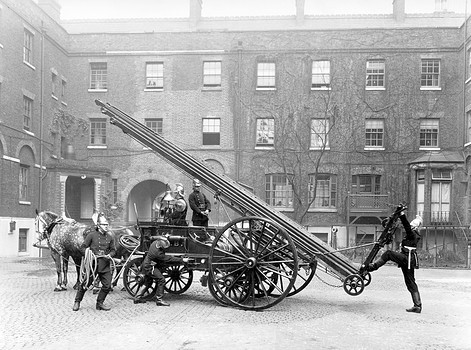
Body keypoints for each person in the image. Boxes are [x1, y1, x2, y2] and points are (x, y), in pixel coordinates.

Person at [367, 208, 423, 313]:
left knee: (388, 254)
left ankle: (373, 267)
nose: (409, 227)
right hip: (409, 260)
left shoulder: (413, 233)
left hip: (407, 259)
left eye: (411, 226)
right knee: (410, 282)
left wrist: (402, 215)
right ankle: (417, 305)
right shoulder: (414, 234)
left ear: (414, 227)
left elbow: (406, 226)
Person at [72, 212, 116, 311]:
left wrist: (110, 255)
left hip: (105, 265)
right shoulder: (91, 235)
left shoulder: (110, 237)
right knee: (85, 284)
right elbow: (83, 248)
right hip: (92, 266)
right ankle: (77, 301)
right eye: (104, 224)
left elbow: (114, 250)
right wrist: (89, 255)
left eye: (107, 224)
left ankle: (99, 303)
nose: (106, 226)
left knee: (107, 285)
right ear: (98, 226)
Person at [133, 236, 188, 306]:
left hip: (147, 264)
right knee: (161, 279)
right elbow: (168, 259)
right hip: (150, 267)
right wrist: (181, 260)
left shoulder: (154, 243)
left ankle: (137, 298)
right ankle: (159, 300)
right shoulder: (158, 253)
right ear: (160, 246)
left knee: (148, 282)